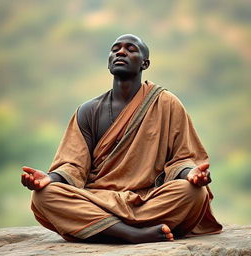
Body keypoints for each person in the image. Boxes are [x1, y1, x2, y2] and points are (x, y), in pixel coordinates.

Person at [21, 34, 222, 243]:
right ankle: (132, 234)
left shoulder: (166, 104)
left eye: (131, 49)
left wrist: (192, 175)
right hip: (98, 199)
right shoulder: (89, 111)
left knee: (194, 193)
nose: (121, 52)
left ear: (145, 63)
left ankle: (103, 228)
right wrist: (49, 178)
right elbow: (73, 165)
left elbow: (182, 157)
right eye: (115, 49)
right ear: (109, 62)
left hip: (147, 199)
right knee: (44, 196)